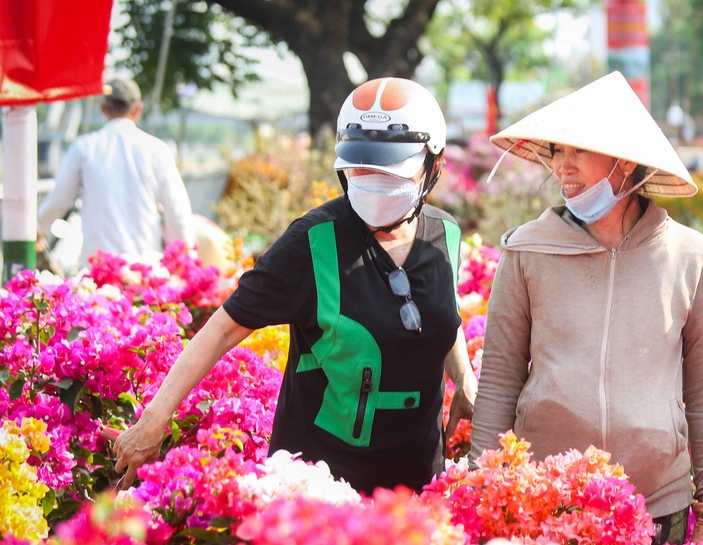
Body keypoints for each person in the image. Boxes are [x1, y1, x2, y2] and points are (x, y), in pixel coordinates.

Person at [113, 77, 478, 492]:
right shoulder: (313, 242)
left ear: (436, 162)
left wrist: (463, 375)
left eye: (389, 170)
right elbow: (221, 329)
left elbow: (438, 309)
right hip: (321, 488)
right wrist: (152, 422)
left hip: (417, 481)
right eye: (362, 165)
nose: (374, 178)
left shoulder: (444, 234)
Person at [469, 71, 703, 545]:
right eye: (557, 152)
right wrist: (483, 484)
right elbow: (500, 378)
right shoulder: (527, 250)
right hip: (548, 501)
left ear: (626, 164)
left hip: (658, 506)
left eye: (580, 152)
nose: (563, 168)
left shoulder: (691, 258)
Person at [37, 78, 196, 268]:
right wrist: (187, 257)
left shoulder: (84, 148)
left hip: (98, 270)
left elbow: (58, 200)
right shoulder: (157, 149)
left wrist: (39, 229)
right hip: (144, 269)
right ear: (138, 109)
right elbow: (177, 210)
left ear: (103, 109)